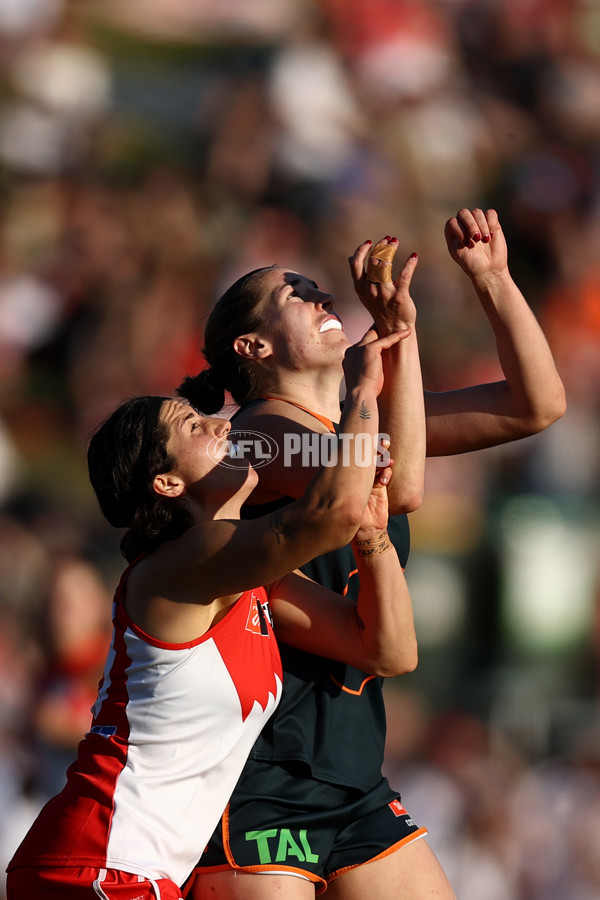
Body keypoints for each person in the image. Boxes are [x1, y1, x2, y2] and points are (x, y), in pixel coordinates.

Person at [177, 207, 566, 899]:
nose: (322, 296)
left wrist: (495, 280)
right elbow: (399, 485)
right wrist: (394, 335)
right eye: (293, 294)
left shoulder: (359, 429)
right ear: (253, 348)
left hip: (349, 768)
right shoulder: (254, 440)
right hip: (261, 771)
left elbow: (535, 404)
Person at [5, 325, 421, 900]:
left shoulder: (244, 576)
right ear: (168, 482)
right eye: (194, 427)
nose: (226, 424)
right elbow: (329, 513)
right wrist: (360, 397)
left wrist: (373, 538)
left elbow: (388, 650)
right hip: (99, 860)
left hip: (130, 869)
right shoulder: (178, 566)